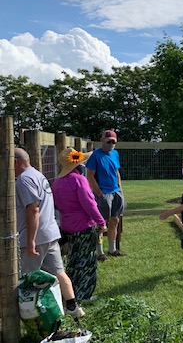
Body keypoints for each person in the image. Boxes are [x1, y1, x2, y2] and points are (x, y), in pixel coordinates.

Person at [14, 147, 86, 318]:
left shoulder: (23, 180)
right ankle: (73, 307)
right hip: (50, 233)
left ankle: (29, 316)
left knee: (25, 279)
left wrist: (30, 241)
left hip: (35, 238)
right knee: (58, 272)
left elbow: (33, 210)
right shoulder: (38, 175)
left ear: (15, 162)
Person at [52, 148, 107, 301]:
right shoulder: (79, 180)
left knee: (73, 259)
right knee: (86, 261)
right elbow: (89, 204)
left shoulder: (57, 182)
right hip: (83, 226)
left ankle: (70, 291)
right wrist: (101, 222)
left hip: (67, 225)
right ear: (79, 165)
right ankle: (84, 294)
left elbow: (56, 204)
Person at [86, 129, 126, 259]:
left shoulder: (115, 154)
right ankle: (100, 252)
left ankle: (112, 249)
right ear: (102, 141)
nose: (111, 144)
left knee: (115, 220)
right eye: (108, 141)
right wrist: (99, 193)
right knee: (101, 223)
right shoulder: (95, 155)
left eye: (113, 141)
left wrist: (119, 187)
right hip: (103, 192)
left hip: (116, 192)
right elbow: (90, 175)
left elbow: (116, 171)